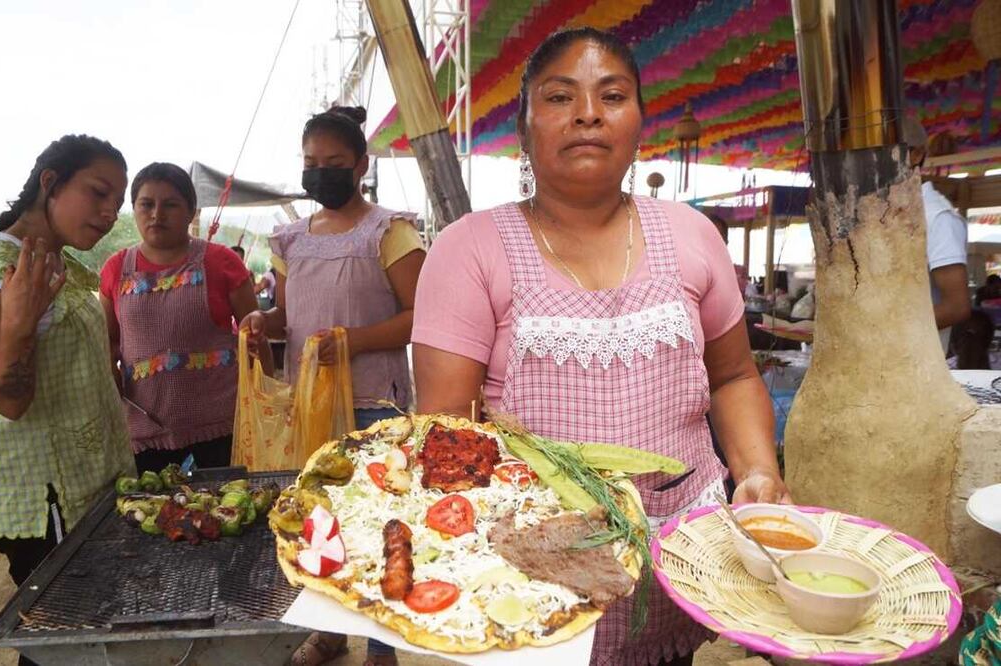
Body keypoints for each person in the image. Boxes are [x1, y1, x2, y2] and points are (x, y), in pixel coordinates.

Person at [411, 28, 789, 666]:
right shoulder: (470, 249)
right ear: (524, 125)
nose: (588, 113)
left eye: (611, 96)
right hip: (532, 573)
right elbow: (447, 434)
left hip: (677, 558)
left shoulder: (692, 235)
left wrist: (758, 471)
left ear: (639, 121)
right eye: (560, 97)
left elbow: (732, 377)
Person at [241, 105, 425, 666]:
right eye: (311, 163)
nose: (320, 173)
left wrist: (353, 342)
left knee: (378, 522)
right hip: (312, 406)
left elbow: (420, 315)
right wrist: (262, 323)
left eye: (334, 162)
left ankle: (381, 646)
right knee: (320, 520)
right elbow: (289, 316)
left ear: (361, 165)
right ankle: (328, 631)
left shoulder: (390, 232)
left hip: (375, 407)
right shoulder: (291, 239)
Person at [0, 135, 136, 666]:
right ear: (51, 183)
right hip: (42, 493)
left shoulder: (51, 260)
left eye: (116, 202)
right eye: (98, 193)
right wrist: (17, 326)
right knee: (64, 636)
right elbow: (9, 400)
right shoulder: (2, 270)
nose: (109, 213)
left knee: (74, 630)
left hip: (79, 475)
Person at [100, 163, 263, 473]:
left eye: (170, 205)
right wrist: (109, 369)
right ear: (134, 209)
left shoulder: (221, 261)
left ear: (191, 212)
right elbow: (107, 340)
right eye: (146, 204)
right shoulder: (116, 269)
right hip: (145, 432)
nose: (156, 214)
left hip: (221, 430)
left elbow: (253, 332)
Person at [905, 117, 972, 354]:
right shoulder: (885, 212)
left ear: (916, 155)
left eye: (884, 153)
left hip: (917, 362)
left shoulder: (937, 217)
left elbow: (957, 306)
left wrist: (886, 335)